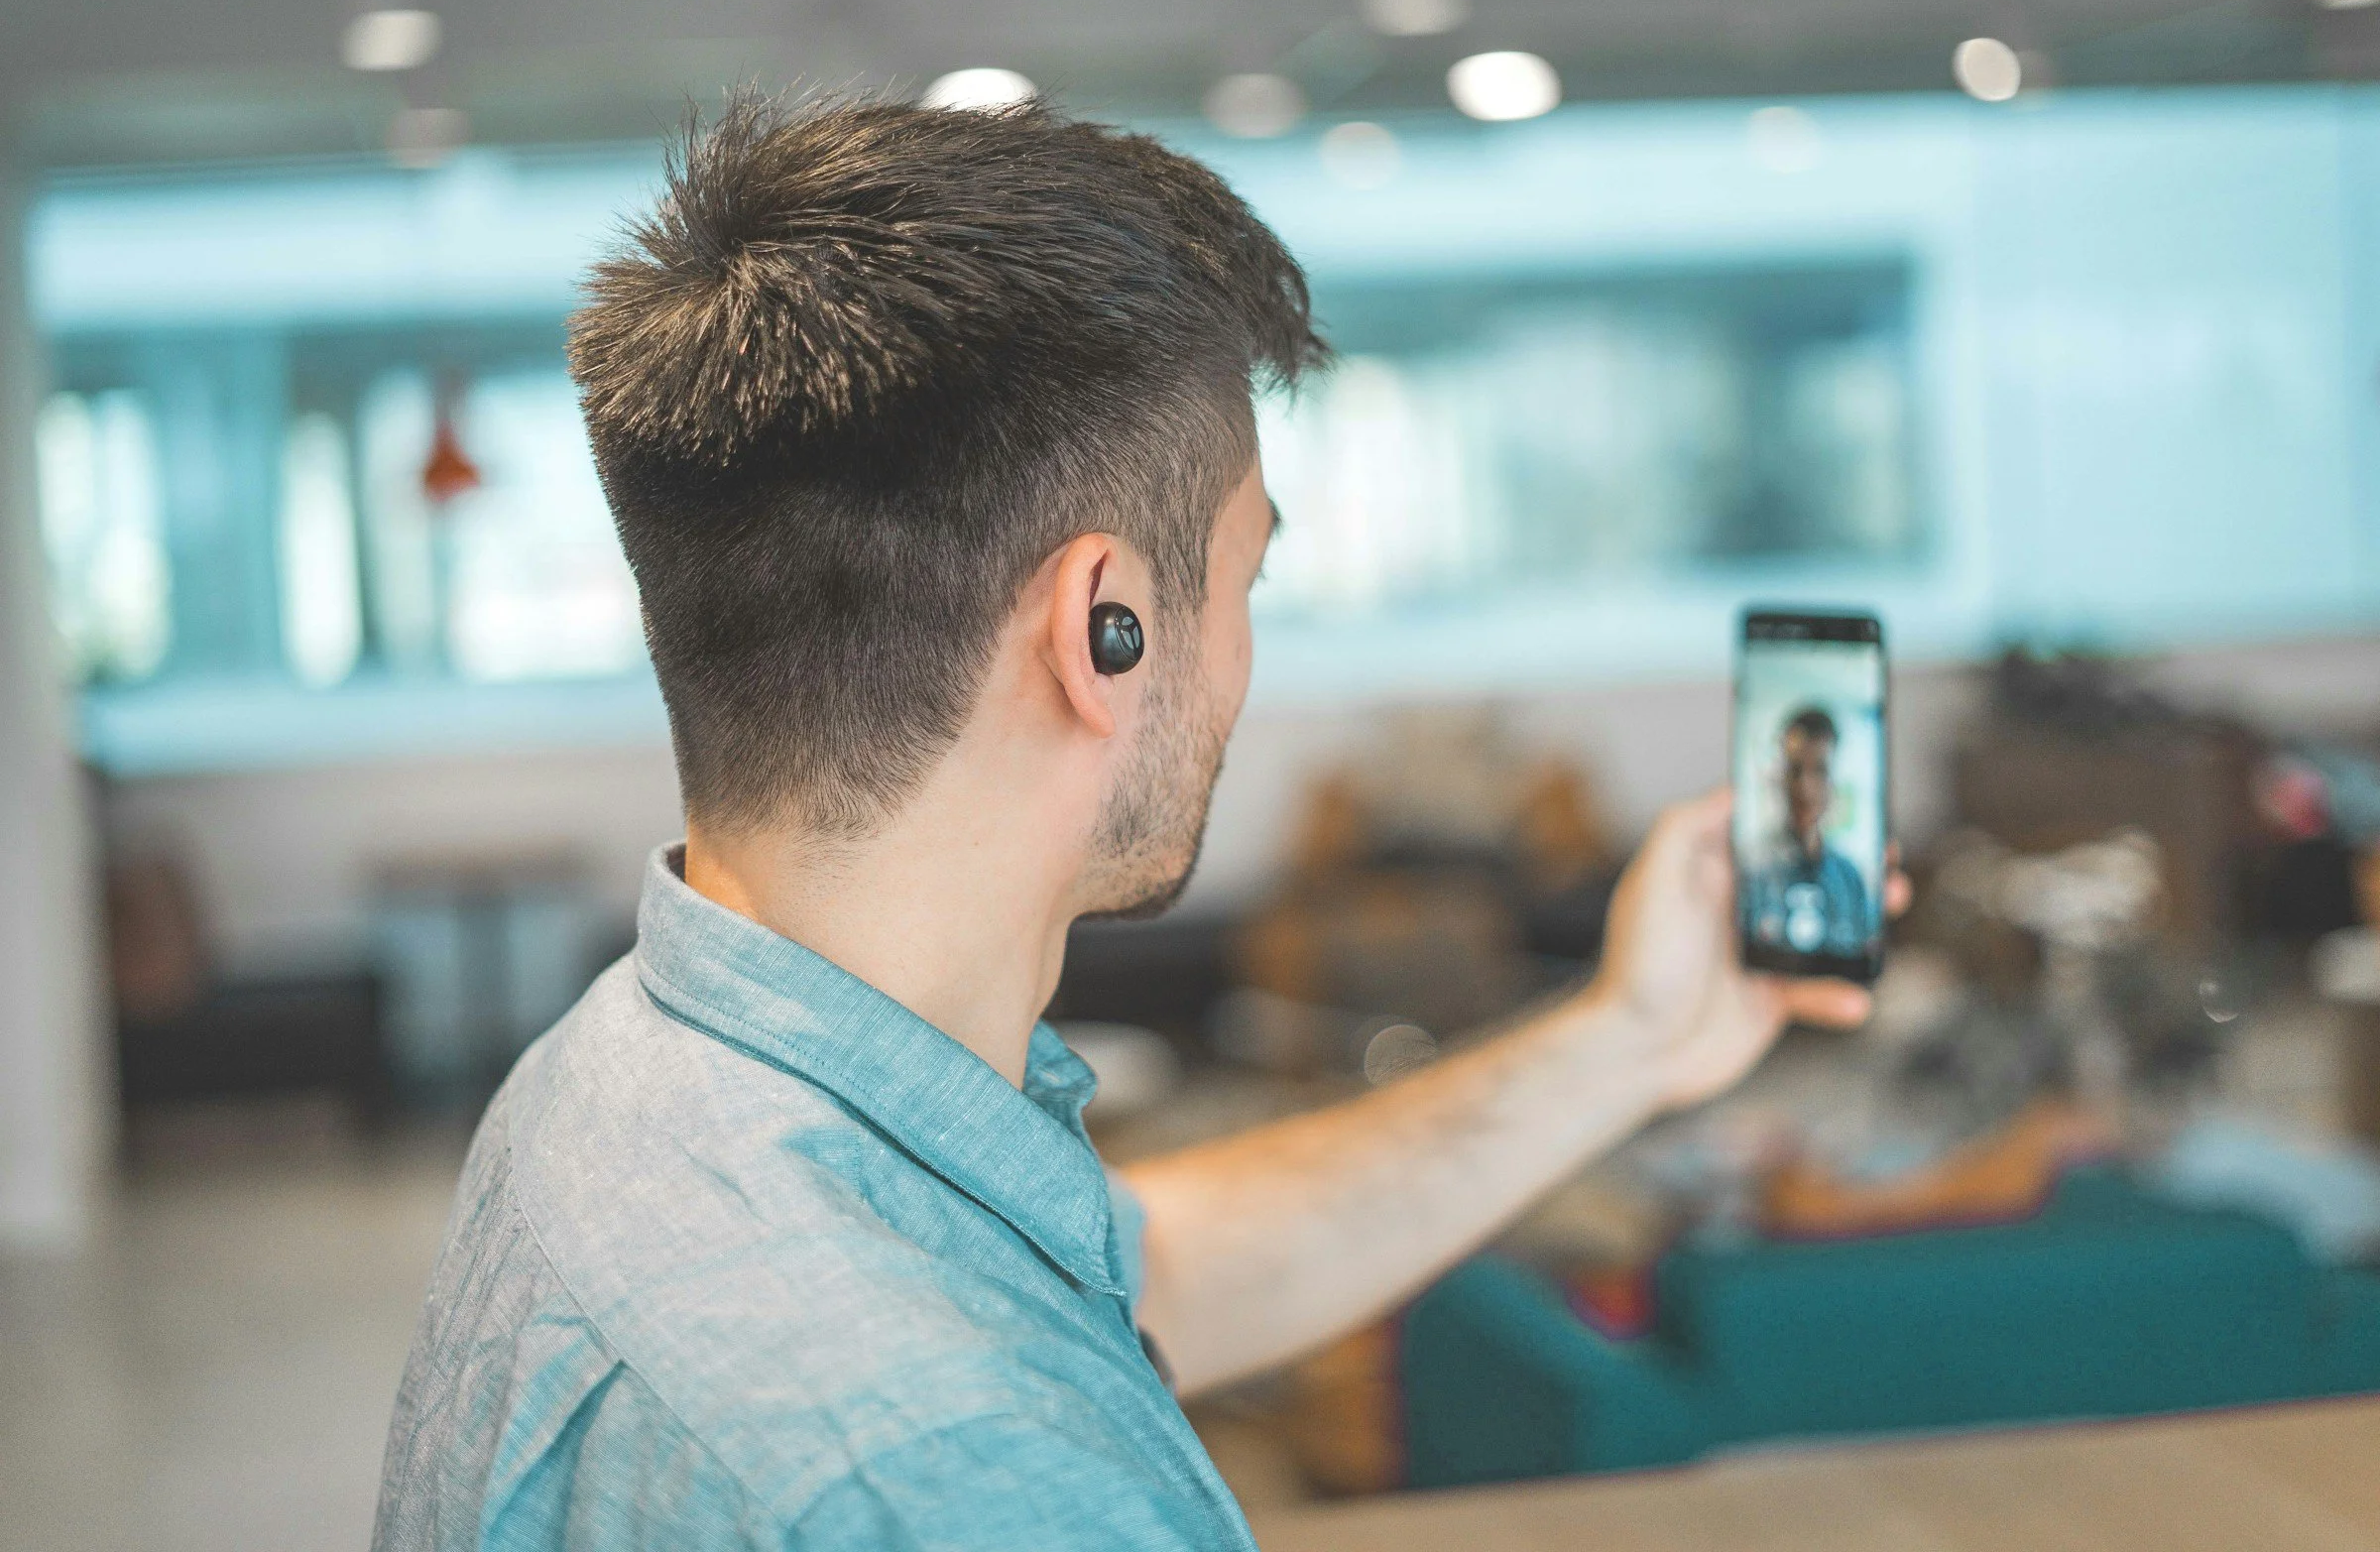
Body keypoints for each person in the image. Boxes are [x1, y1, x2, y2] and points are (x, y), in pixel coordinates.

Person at [372, 92, 1896, 1552]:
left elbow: (1125, 1275)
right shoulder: (982, 1483)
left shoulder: (631, 1084)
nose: (1242, 652)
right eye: (1245, 578)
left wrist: (1636, 1033)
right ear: (1105, 626)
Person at [1742, 706, 1875, 957]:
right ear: (1780, 778)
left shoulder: (1850, 878)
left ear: (1834, 781)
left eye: (1820, 770)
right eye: (1795, 771)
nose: (1805, 788)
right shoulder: (1750, 871)